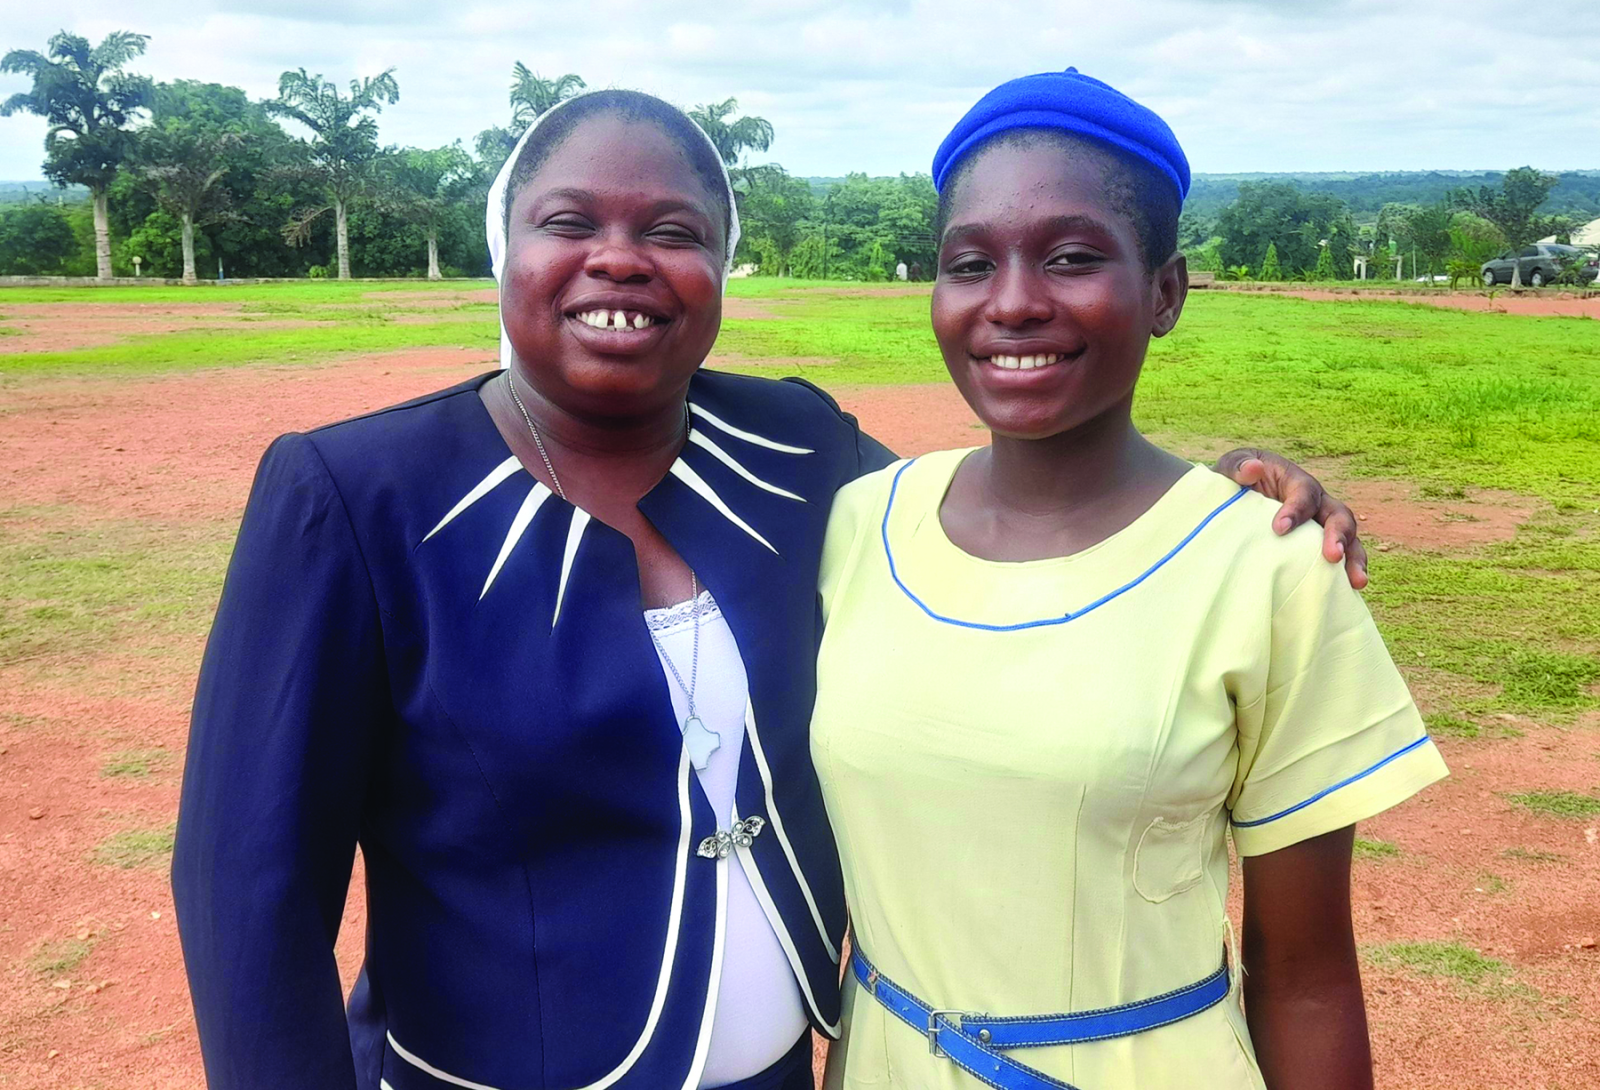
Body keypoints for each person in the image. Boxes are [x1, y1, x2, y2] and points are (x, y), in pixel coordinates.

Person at [173, 88, 1366, 1090]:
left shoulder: (798, 449)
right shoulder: (354, 495)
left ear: (717, 267)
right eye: (568, 221)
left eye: (674, 230)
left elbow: (1017, 536)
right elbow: (249, 893)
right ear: (507, 251)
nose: (622, 259)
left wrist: (1213, 499)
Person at [812, 70, 1449, 1090]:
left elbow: (1305, 974)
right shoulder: (859, 526)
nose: (1012, 302)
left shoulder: (1268, 566)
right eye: (969, 262)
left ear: (1164, 291)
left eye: (1069, 258)